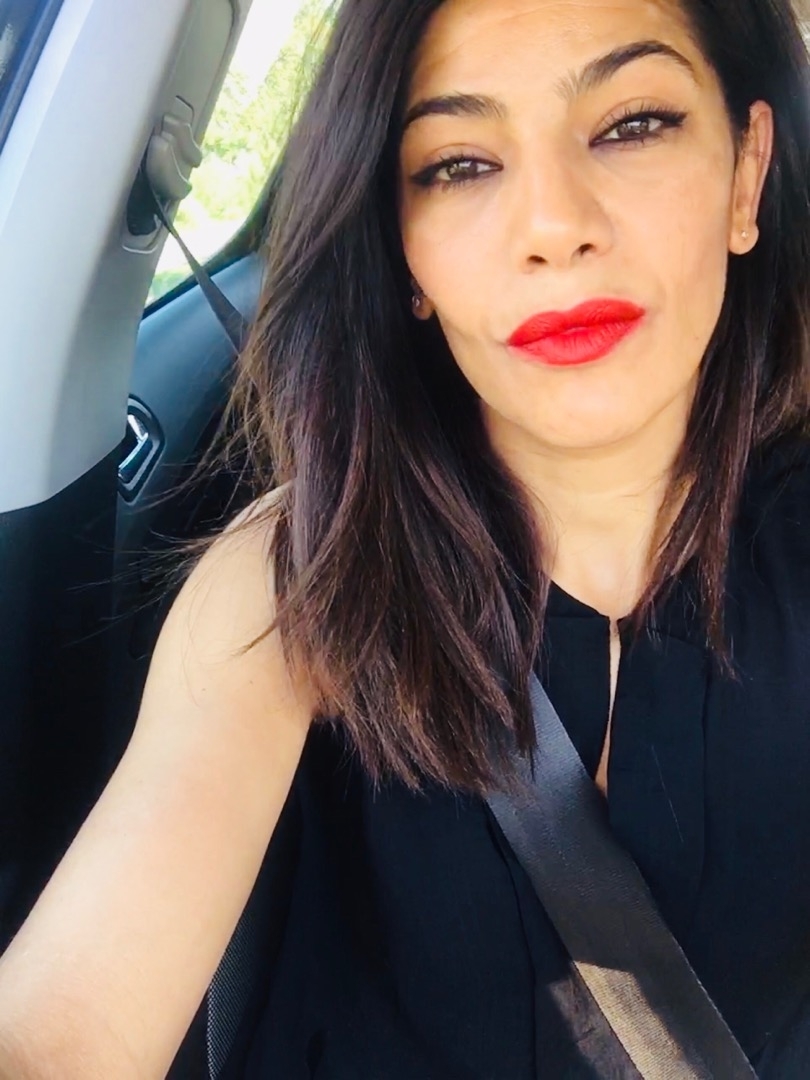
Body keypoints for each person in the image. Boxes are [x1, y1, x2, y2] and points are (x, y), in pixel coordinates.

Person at [1, 0, 810, 1075]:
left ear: (745, 175)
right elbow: (63, 1029)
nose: (553, 225)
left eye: (631, 125)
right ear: (405, 255)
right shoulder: (295, 577)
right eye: (460, 165)